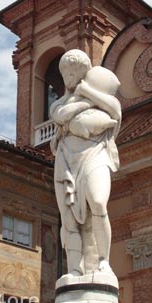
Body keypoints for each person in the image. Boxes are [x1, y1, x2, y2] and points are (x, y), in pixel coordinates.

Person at [50, 49, 121, 277]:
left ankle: (103, 261)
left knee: (99, 203)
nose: (67, 78)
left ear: (82, 71)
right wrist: (84, 104)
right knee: (68, 218)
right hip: (66, 158)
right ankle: (74, 269)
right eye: (64, 73)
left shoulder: (97, 94)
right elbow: (61, 116)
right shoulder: (58, 103)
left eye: (71, 72)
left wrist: (87, 92)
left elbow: (116, 112)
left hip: (95, 153)